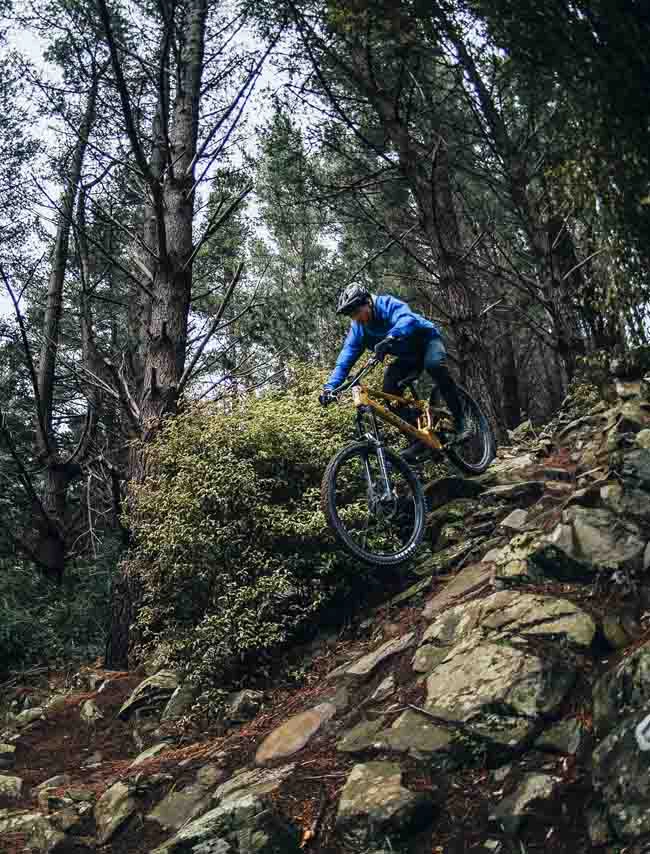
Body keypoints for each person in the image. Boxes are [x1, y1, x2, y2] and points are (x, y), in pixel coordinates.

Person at [319, 283, 468, 459]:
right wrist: (330, 387)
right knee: (389, 392)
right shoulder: (358, 330)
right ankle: (420, 440)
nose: (357, 318)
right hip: (408, 358)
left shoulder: (386, 304)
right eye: (352, 316)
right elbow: (345, 359)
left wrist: (391, 337)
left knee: (434, 365)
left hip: (427, 342)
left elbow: (406, 318)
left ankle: (462, 422)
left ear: (368, 302)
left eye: (358, 312)